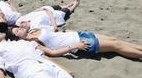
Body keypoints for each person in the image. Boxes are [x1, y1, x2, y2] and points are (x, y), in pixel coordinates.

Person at [11, 27, 142, 59]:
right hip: (79, 43)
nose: (20, 28)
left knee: (115, 40)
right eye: (17, 30)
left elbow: (55, 31)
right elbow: (53, 52)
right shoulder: (34, 43)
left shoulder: (34, 29)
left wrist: (68, 30)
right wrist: (74, 46)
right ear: (18, 38)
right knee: (116, 46)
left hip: (77, 34)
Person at [16, 0, 80, 32]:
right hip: (53, 16)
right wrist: (50, 14)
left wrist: (40, 9)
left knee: (55, 6)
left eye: (20, 25)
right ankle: (74, 5)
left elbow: (32, 13)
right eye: (22, 27)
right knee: (66, 11)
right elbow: (55, 29)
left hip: (44, 11)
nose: (21, 24)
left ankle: (68, 4)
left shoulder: (22, 20)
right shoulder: (35, 27)